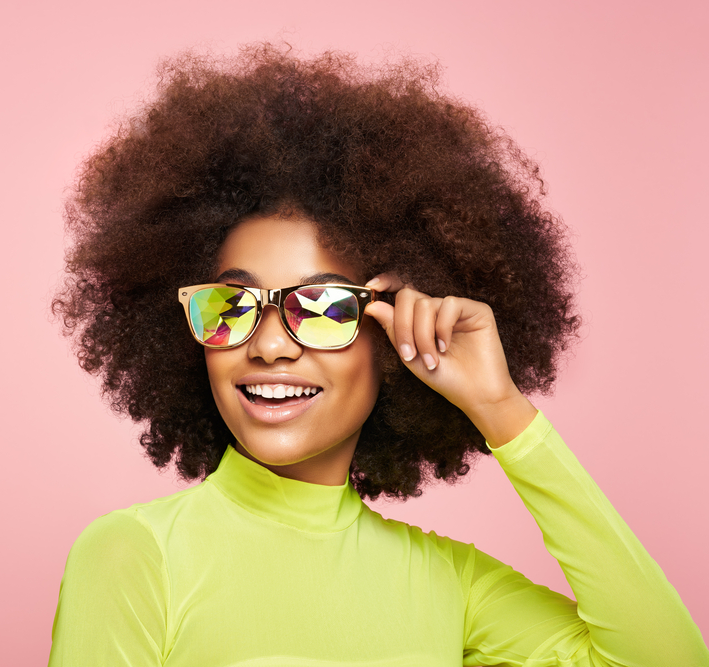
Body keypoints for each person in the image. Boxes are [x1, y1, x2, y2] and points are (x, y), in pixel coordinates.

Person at [48, 44, 708, 665]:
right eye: (231, 306)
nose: (270, 344)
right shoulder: (135, 556)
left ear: (389, 339)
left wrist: (498, 406)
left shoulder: (450, 585)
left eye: (325, 307)